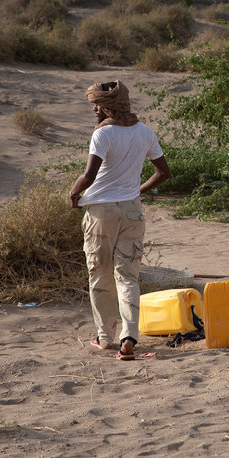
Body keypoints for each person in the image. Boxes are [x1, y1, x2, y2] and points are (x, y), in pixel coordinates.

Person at [69, 80, 170, 361]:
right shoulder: (145, 132)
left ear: (108, 107)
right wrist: (137, 191)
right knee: (127, 275)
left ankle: (105, 338)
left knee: (99, 275)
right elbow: (163, 172)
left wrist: (74, 193)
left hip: (102, 213)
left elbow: (88, 176)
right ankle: (129, 338)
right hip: (132, 211)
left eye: (97, 105)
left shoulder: (102, 135)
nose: (94, 111)